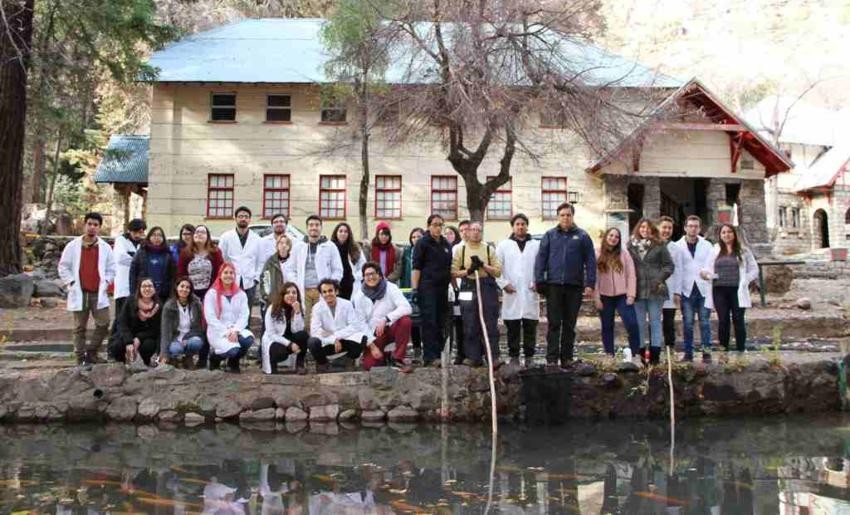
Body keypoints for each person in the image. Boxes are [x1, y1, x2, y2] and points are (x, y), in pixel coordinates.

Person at [534, 202, 596, 368]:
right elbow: (541, 259)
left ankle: (567, 358)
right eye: (562, 215)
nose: (565, 218)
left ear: (572, 216)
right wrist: (539, 280)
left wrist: (590, 283)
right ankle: (552, 358)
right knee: (554, 323)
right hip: (554, 285)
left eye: (568, 215)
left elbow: (590, 261)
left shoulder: (582, 236)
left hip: (574, 286)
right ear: (558, 216)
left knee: (570, 324)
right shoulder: (550, 235)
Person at [57, 212, 115, 366]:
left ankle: (91, 352)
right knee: (79, 327)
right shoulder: (73, 246)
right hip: (80, 292)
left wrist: (107, 280)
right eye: (89, 224)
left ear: (99, 228)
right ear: (84, 225)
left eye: (95, 225)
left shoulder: (105, 248)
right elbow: (63, 266)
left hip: (98, 293)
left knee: (104, 323)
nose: (92, 227)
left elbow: (111, 268)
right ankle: (79, 357)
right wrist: (71, 282)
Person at [452, 221, 502, 368]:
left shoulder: (488, 249)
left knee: (490, 322)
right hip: (468, 286)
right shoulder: (461, 250)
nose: (475, 232)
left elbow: (498, 271)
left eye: (478, 230)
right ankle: (473, 357)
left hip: (486, 285)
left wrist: (483, 266)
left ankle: (493, 357)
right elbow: (453, 271)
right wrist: (467, 271)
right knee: (469, 322)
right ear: (468, 232)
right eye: (472, 230)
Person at [496, 213, 541, 367]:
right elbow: (497, 268)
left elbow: (541, 266)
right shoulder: (504, 245)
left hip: (530, 291)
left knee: (530, 326)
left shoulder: (535, 245)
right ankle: (514, 356)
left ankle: (529, 357)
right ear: (513, 226)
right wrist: (503, 283)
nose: (520, 227)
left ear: (527, 226)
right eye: (517, 224)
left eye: (523, 224)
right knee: (513, 327)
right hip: (512, 291)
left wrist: (538, 282)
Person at [627, 218, 674, 365]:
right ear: (638, 229)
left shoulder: (659, 245)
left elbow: (669, 266)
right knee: (639, 323)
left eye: (648, 228)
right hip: (638, 289)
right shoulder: (630, 246)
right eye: (642, 228)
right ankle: (641, 356)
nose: (645, 230)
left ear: (652, 229)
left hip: (655, 290)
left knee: (655, 322)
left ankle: (655, 357)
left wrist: (659, 279)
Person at [705, 224, 759, 352]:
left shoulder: (743, 250)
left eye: (729, 232)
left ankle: (741, 349)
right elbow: (707, 267)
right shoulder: (715, 249)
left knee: (738, 319)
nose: (726, 235)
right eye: (723, 232)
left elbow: (754, 269)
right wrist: (705, 274)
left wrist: (745, 280)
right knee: (723, 320)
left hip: (737, 290)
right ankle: (724, 350)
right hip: (719, 290)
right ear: (720, 235)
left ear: (734, 234)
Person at [352, 261, 413, 372]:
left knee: (405, 321)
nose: (370, 277)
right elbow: (361, 324)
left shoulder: (391, 288)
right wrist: (372, 347)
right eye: (367, 275)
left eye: (373, 274)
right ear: (363, 278)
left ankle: (398, 358)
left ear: (379, 275)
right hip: (374, 334)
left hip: (391, 328)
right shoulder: (359, 296)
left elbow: (406, 307)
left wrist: (386, 319)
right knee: (370, 366)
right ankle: (388, 356)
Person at [411, 214, 453, 368]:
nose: (438, 227)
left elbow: (450, 268)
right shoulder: (422, 243)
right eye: (435, 224)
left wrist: (453, 287)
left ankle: (440, 353)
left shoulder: (446, 244)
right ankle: (430, 356)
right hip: (427, 287)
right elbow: (416, 267)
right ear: (429, 226)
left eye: (441, 225)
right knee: (429, 322)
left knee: (441, 322)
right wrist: (415, 289)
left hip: (442, 288)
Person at [287, 214, 343, 327]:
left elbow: (338, 269)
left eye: (317, 225)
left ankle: (320, 344)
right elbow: (290, 269)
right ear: (307, 228)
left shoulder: (330, 246)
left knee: (322, 321)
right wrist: (296, 283)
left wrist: (330, 285)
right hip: (304, 289)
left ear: (321, 228)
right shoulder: (299, 246)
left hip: (322, 291)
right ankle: (308, 344)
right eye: (311, 225)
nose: (314, 227)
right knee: (306, 321)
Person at [595, 227, 640, 357]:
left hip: (623, 296)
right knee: (607, 326)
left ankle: (635, 354)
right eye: (611, 235)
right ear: (606, 237)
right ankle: (610, 354)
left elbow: (631, 275)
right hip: (604, 296)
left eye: (616, 236)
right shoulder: (597, 253)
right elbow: (595, 277)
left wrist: (631, 294)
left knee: (632, 324)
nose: (613, 238)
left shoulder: (624, 254)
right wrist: (596, 298)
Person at [675, 215, 715, 362]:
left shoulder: (707, 245)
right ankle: (688, 354)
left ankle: (706, 353)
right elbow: (677, 270)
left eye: (696, 226)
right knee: (688, 323)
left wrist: (708, 275)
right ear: (685, 228)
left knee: (705, 322)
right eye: (690, 226)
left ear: (699, 228)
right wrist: (677, 292)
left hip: (703, 288)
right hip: (686, 289)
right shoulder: (677, 246)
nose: (693, 229)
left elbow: (712, 266)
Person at [203, 263, 255, 373]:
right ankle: (215, 358)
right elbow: (210, 318)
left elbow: (244, 315)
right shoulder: (212, 294)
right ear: (220, 275)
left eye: (231, 273)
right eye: (225, 272)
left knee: (248, 340)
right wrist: (227, 332)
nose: (228, 275)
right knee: (233, 350)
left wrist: (235, 330)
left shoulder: (241, 294)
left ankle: (233, 362)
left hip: (235, 329)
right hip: (218, 332)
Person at [308, 279, 368, 372]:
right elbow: (315, 330)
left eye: (330, 290)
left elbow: (354, 326)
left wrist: (336, 336)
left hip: (343, 341)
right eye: (324, 292)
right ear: (321, 294)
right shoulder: (317, 308)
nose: (328, 294)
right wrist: (333, 339)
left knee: (362, 338)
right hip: (327, 343)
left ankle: (348, 361)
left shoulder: (347, 304)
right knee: (312, 342)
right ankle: (322, 363)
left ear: (336, 291)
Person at [262, 282, 316, 374]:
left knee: (304, 335)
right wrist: (290, 344)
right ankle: (272, 365)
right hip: (275, 340)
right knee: (280, 352)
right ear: (282, 295)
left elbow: (298, 330)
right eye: (287, 293)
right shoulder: (272, 308)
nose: (291, 295)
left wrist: (297, 313)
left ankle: (300, 364)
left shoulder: (298, 307)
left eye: (294, 293)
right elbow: (271, 334)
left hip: (290, 337)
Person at [109, 277, 162, 367]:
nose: (147, 289)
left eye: (150, 286)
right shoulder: (130, 301)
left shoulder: (158, 305)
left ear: (154, 289)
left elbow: (155, 329)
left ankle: (146, 362)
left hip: (146, 336)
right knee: (117, 345)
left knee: (149, 345)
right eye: (144, 286)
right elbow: (122, 322)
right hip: (127, 333)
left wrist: (138, 338)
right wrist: (129, 341)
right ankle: (120, 363)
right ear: (139, 288)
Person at [218, 206, 264, 306]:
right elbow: (221, 258)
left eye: (246, 217)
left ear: (249, 219)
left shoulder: (257, 239)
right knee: (229, 311)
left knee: (246, 312)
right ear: (235, 218)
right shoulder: (226, 237)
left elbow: (260, 261)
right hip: (230, 280)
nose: (243, 219)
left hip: (249, 282)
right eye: (240, 216)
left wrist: (256, 279)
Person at [159, 277, 206, 368]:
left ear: (190, 290)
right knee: (176, 349)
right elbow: (165, 332)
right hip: (175, 337)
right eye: (182, 286)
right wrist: (164, 354)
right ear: (177, 288)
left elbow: (199, 327)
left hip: (190, 336)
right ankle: (174, 359)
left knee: (196, 343)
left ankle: (188, 358)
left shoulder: (196, 304)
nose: (184, 289)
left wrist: (186, 338)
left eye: (187, 287)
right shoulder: (169, 306)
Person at [111, 218, 146, 336]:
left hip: (137, 286)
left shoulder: (143, 244)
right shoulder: (121, 240)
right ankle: (113, 345)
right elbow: (121, 257)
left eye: (141, 232)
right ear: (130, 231)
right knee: (120, 317)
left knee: (133, 317)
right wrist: (137, 260)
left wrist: (133, 258)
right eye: (135, 232)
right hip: (123, 286)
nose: (138, 235)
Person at [129, 226, 177, 302]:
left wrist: (172, 295)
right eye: (154, 235)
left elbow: (173, 276)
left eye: (159, 235)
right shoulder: (141, 252)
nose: (157, 237)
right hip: (144, 293)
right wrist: (133, 294)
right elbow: (133, 273)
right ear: (149, 237)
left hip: (163, 294)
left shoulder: (168, 254)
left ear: (163, 238)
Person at [658, 216, 685, 350]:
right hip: (654, 291)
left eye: (669, 228)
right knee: (654, 322)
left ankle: (670, 350)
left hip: (670, 290)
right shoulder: (650, 245)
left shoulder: (676, 248)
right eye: (664, 227)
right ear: (658, 228)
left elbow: (679, 271)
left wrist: (677, 292)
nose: (667, 230)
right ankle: (654, 351)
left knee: (669, 323)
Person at [177, 224, 223, 302]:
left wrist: (213, 291)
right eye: (197, 232)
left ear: (207, 237)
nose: (199, 234)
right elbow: (181, 274)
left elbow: (219, 273)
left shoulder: (215, 253)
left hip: (210, 292)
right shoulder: (185, 253)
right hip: (190, 293)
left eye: (202, 232)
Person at [401, 227, 425, 357]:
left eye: (418, 237)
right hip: (408, 289)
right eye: (413, 237)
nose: (416, 239)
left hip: (424, 289)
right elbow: (401, 270)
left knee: (425, 318)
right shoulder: (406, 252)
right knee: (413, 319)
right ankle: (416, 347)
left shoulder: (426, 251)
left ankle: (426, 346)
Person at [331, 222, 366, 299]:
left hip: (351, 284)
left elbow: (363, 267)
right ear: (336, 233)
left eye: (346, 231)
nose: (343, 233)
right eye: (340, 231)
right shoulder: (330, 247)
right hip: (334, 284)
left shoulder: (355, 248)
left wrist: (355, 277)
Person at [260, 235, 293, 308]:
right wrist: (266, 295)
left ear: (289, 246)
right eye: (281, 243)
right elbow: (264, 278)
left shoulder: (293, 260)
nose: (284, 245)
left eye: (286, 243)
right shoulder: (271, 261)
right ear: (277, 246)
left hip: (290, 297)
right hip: (275, 298)